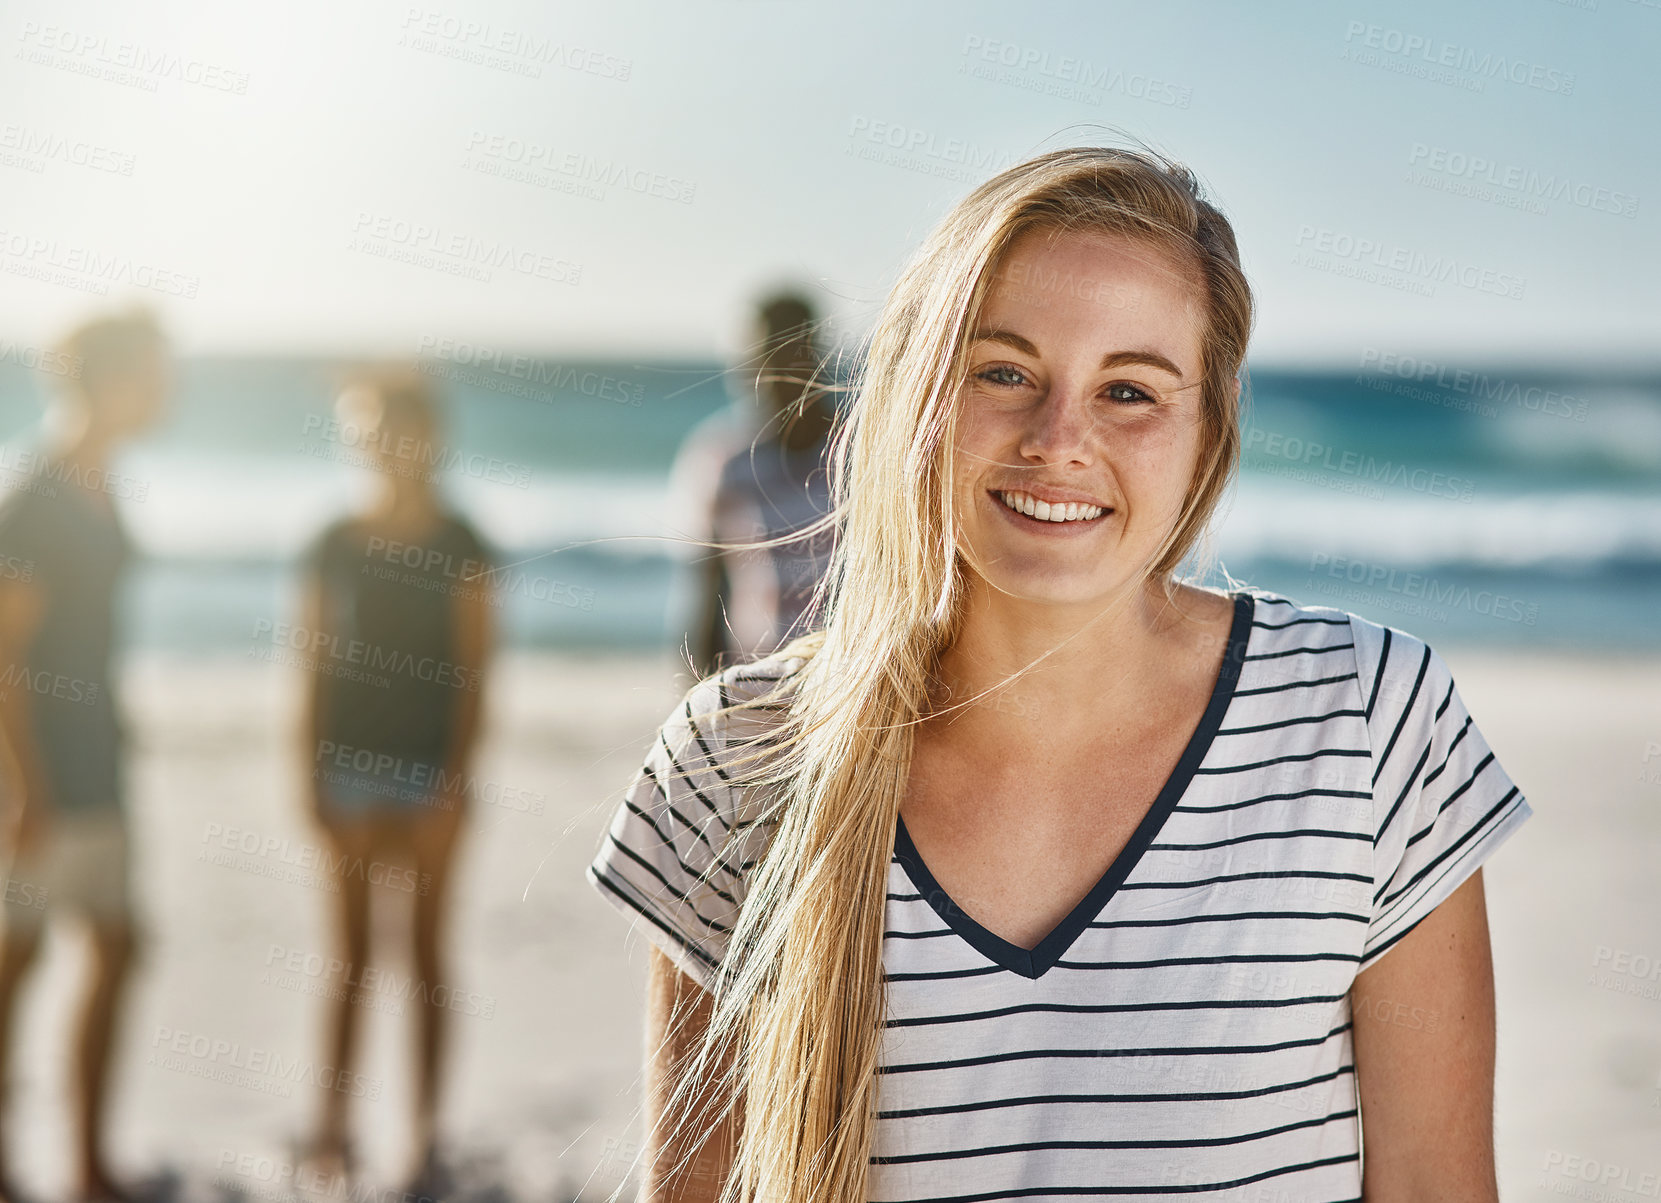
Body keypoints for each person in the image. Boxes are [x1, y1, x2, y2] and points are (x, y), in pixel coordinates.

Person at [584, 145, 1535, 1202]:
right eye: (1003, 372)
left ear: (1206, 438)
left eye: (1129, 390)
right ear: (916, 397)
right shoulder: (732, 762)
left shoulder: (1366, 726)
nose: (1057, 440)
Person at [296, 370, 492, 1193]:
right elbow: (308, 663)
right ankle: (333, 1133)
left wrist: (455, 779)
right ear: (359, 439)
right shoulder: (332, 539)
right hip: (344, 767)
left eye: (402, 429)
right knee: (346, 960)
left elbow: (477, 673)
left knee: (425, 954)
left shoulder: (462, 542)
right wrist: (305, 773)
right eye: (373, 430)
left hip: (429, 776)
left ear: (429, 437)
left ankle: (422, 1134)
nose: (389, 446)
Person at [0, 306, 171, 1203]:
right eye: (154, 370)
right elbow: (4, 658)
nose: (166, 387)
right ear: (109, 377)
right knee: (17, 962)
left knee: (114, 946)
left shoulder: (102, 483)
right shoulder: (36, 498)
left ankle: (88, 1164)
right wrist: (25, 786)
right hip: (38, 775)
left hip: (98, 756)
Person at [670, 289, 839, 681]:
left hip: (849, 687)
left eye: (790, 353)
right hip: (755, 685)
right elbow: (709, 597)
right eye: (762, 356)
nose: (769, 371)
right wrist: (699, 698)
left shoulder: (864, 452)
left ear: (817, 354)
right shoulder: (723, 461)